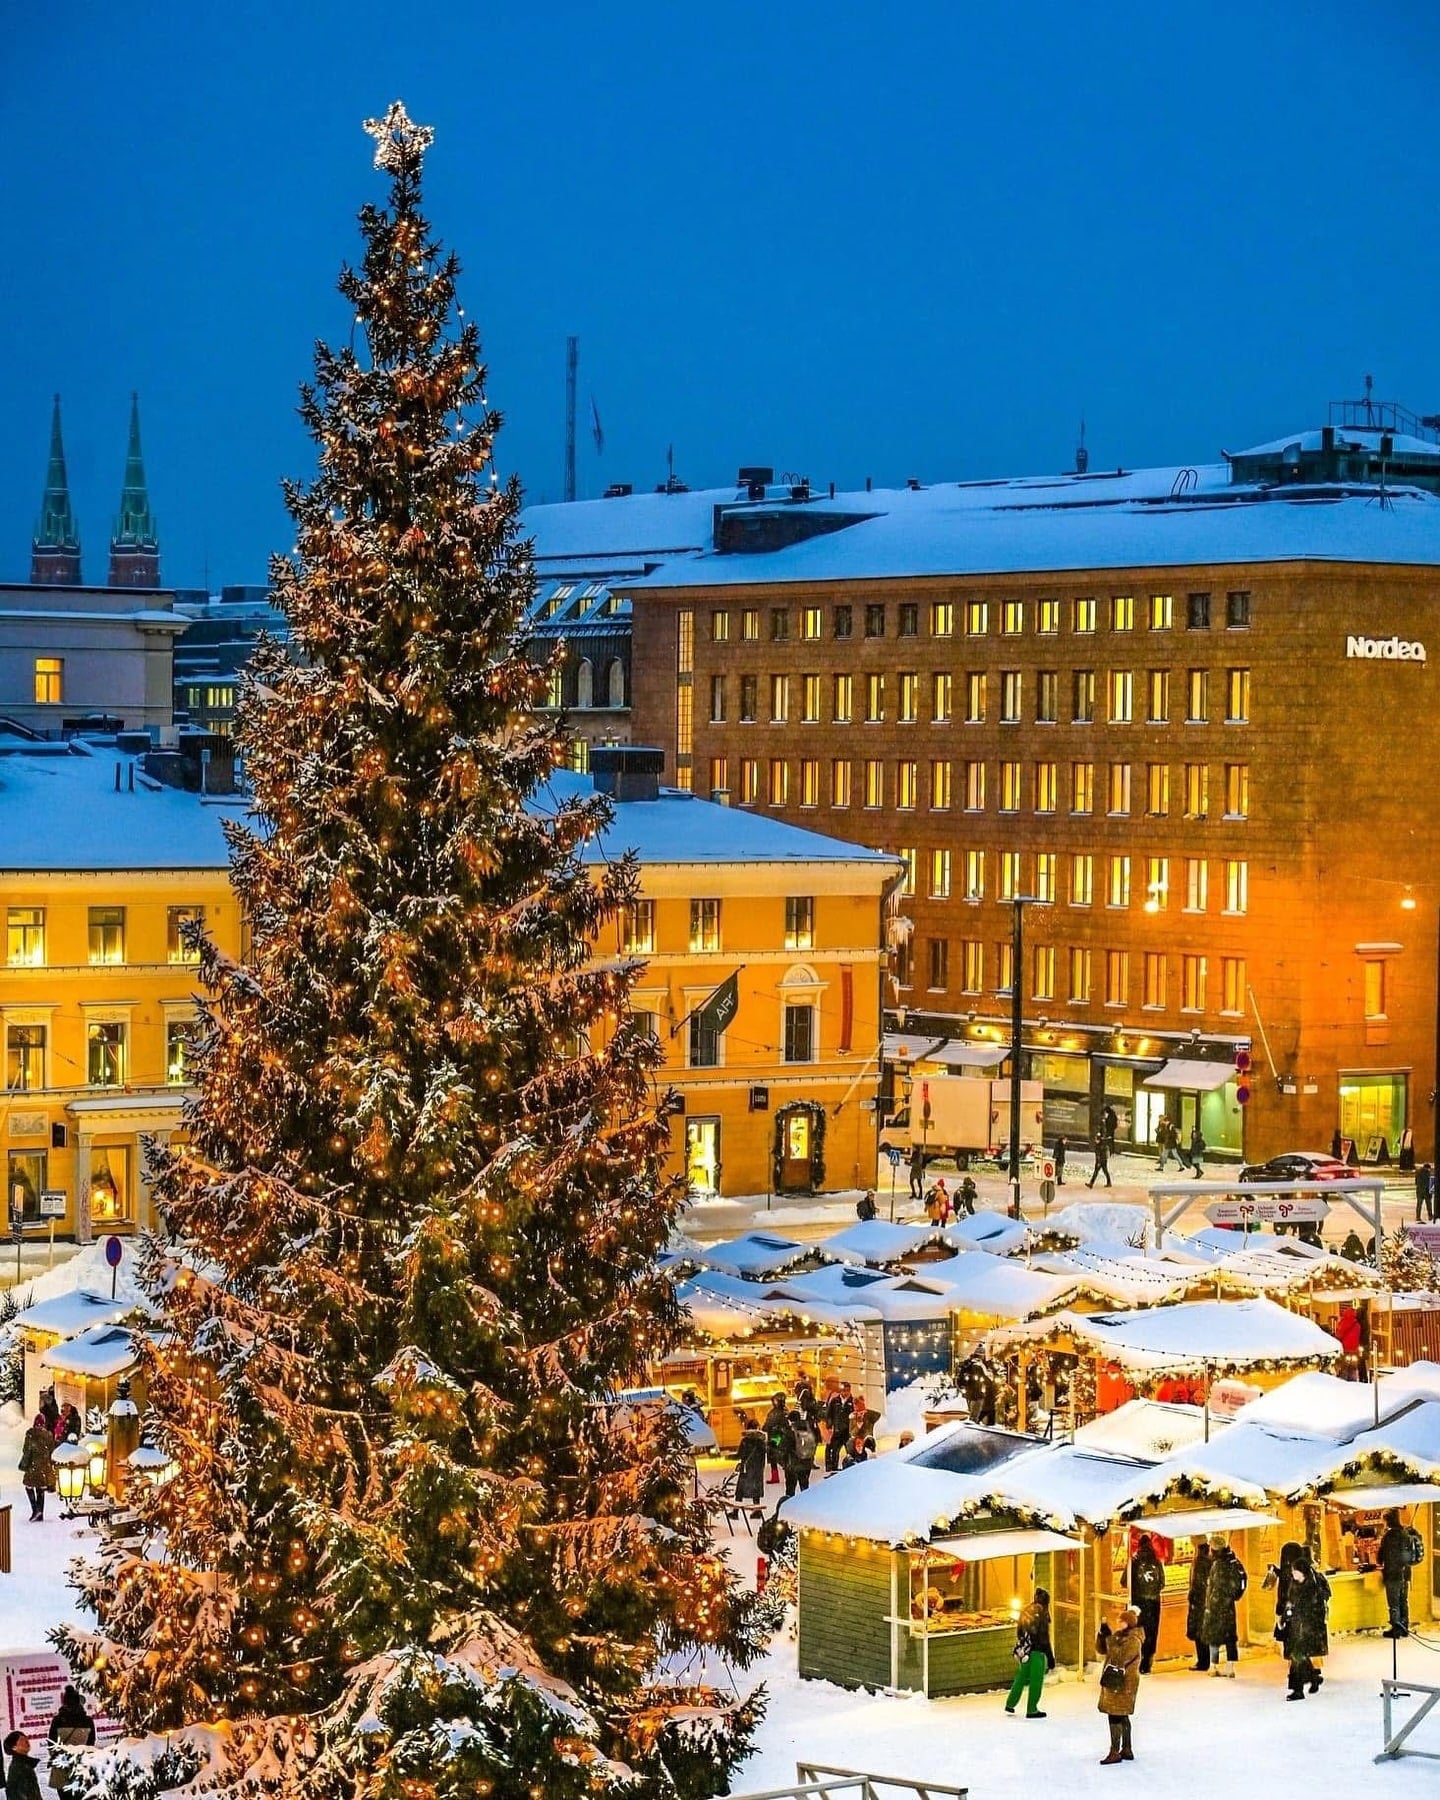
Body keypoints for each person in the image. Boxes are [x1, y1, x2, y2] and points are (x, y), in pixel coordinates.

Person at [1096, 1606, 1143, 1764]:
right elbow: (1103, 1650)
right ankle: (1126, 1749)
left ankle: (1115, 1751)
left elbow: (1119, 1657)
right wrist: (1103, 1635)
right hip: (1116, 1680)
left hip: (1123, 1682)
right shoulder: (1119, 1636)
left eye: (1122, 1621)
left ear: (1129, 1623)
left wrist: (1110, 1639)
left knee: (1115, 1714)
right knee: (1121, 1714)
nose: (1119, 1622)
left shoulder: (1134, 1640)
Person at [1281, 1549, 1330, 1699]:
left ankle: (1298, 1690)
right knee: (1300, 1657)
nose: (1293, 1573)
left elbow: (1313, 1608)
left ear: (1302, 1572)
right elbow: (1290, 1602)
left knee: (1297, 1657)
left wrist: (1305, 1621)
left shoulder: (1312, 1587)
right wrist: (1286, 1616)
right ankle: (1313, 1678)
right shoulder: (1294, 1584)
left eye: (1295, 1571)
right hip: (1297, 1627)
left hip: (1309, 1628)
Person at [1004, 1586, 1055, 1719]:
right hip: (1037, 1651)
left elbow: (1019, 1632)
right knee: (1036, 1681)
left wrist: (1025, 1645)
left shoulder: (1026, 1610)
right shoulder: (1042, 1613)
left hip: (1025, 1651)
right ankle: (1032, 1709)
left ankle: (1010, 1703)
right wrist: (1050, 1657)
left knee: (1021, 1676)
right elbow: (1044, 1637)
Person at [1203, 1535, 1247, 1675]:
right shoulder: (1233, 1561)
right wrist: (1234, 1596)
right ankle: (1230, 1667)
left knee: (1214, 1636)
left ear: (1215, 1549)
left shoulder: (1219, 1564)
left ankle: (1213, 1666)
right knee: (1230, 1636)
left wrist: (1211, 1603)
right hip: (1229, 1606)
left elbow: (1216, 1587)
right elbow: (1242, 1580)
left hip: (1216, 1606)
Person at [47, 1684, 95, 1794]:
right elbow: (91, 1745)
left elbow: (51, 1744)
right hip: (82, 1767)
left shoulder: (57, 1720)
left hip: (62, 1767)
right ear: (79, 1702)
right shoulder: (87, 1721)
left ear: (64, 1702)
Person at [1129, 1535, 1166, 1674]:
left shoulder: (1134, 1561)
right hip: (1154, 1603)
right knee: (1151, 1632)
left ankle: (1138, 1660)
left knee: (1138, 1631)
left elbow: (1124, 1581)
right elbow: (1162, 1583)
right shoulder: (1157, 1561)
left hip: (1138, 1603)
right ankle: (1147, 1663)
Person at [1379, 1507, 1416, 1638]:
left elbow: (1381, 1556)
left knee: (1394, 1603)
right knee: (1403, 1600)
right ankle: (1404, 1627)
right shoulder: (1405, 1533)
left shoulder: (1389, 1536)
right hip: (1405, 1573)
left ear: (1388, 1520)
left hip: (1393, 1574)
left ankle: (1396, 1629)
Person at [19, 1413, 56, 1523]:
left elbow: (26, 1451)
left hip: (33, 1465)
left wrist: (24, 1465)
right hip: (45, 1466)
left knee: (29, 1487)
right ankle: (40, 1512)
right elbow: (52, 1450)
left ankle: (35, 1510)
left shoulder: (31, 1434)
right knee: (40, 1488)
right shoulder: (48, 1435)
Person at [1186, 1538, 1213, 1670]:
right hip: (1207, 1601)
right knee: (1204, 1632)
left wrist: (1192, 1598)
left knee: (1199, 1633)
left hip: (1199, 1603)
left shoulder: (1200, 1562)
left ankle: (1203, 1662)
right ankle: (1206, 1660)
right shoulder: (1210, 1560)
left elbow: (1198, 1584)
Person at [733, 1413, 767, 1504]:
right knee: (756, 1491)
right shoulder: (761, 1441)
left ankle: (736, 1509)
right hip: (757, 1470)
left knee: (740, 1492)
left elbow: (740, 1455)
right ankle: (757, 1509)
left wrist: (730, 1457)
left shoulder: (745, 1441)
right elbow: (765, 1452)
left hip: (746, 1469)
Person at [783, 1408, 816, 1498]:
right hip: (806, 1462)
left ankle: (790, 1504)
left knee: (790, 1490)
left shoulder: (789, 1431)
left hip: (793, 1464)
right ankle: (806, 1503)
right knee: (805, 1488)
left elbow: (784, 1446)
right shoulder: (807, 1428)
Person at [3, 1732, 41, 1800]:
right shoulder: (19, 1766)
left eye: (26, 1738)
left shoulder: (23, 1763)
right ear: (14, 1747)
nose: (26, 1741)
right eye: (21, 1740)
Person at [762, 1394, 788, 1486]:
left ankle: (775, 1476)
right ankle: (786, 1474)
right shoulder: (785, 1411)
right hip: (783, 1436)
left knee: (774, 1455)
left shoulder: (775, 1413)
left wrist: (764, 1430)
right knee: (783, 1456)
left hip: (775, 1436)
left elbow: (768, 1424)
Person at [1334, 1301, 1364, 1379]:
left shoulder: (1343, 1322)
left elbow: (1339, 1334)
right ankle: (1353, 1380)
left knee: (1344, 1367)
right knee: (1353, 1368)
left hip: (1345, 1349)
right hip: (1354, 1349)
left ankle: (1343, 1381)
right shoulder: (1357, 1324)